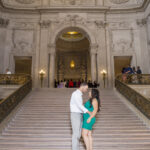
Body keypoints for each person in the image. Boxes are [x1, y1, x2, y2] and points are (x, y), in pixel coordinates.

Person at [70, 83, 92, 150]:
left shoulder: (79, 94)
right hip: (75, 115)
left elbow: (80, 106)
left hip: (79, 115)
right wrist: (88, 111)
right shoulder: (76, 94)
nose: (86, 90)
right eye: (86, 88)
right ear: (82, 86)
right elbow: (79, 105)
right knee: (76, 134)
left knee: (79, 135)